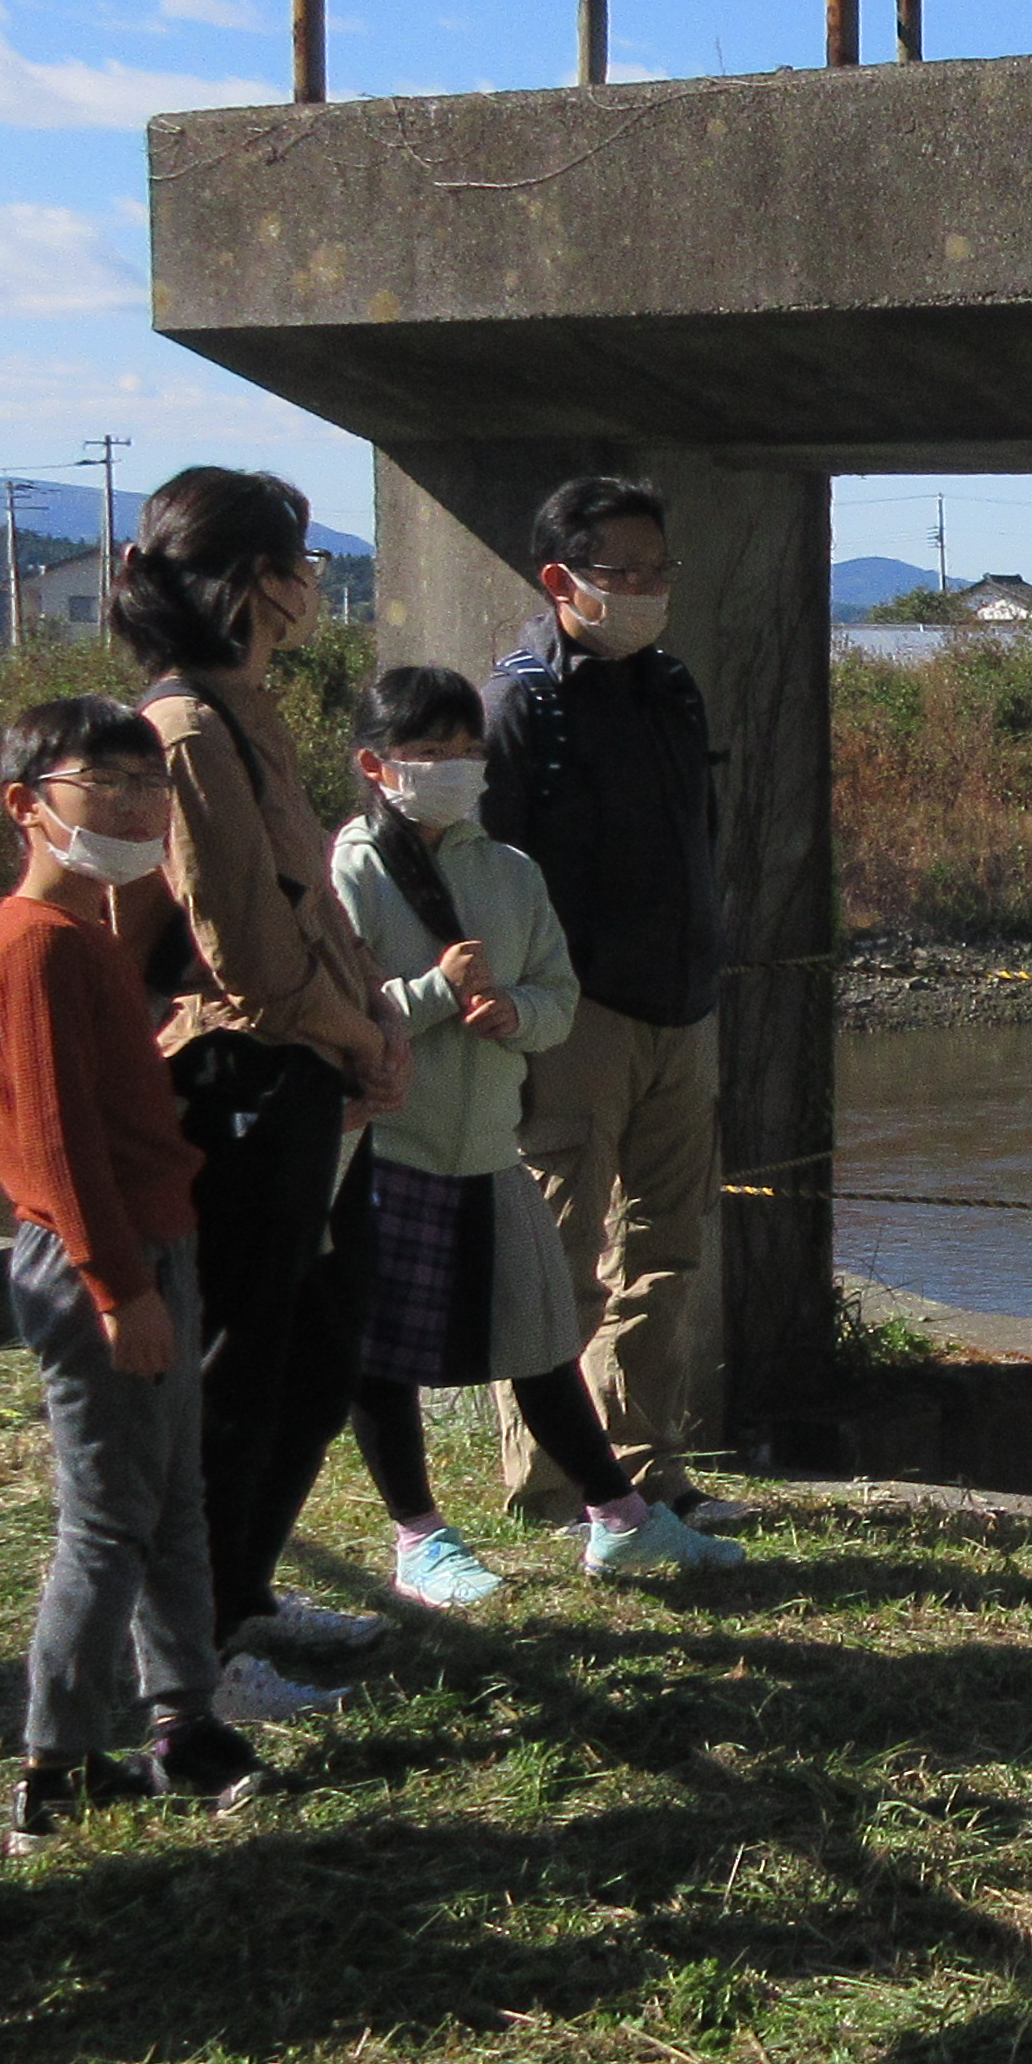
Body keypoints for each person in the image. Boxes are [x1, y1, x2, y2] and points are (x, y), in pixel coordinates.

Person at [331, 668, 741, 1596]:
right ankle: (420, 1539)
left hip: (489, 1147)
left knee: (539, 1338)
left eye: (466, 751)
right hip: (392, 1147)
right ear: (375, 765)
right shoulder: (350, 870)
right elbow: (335, 1012)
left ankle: (620, 1519)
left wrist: (517, 1012)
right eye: (428, 754)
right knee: (382, 1355)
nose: (453, 769)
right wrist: (439, 993)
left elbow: (559, 998)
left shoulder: (509, 873)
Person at [117, 469, 400, 1704]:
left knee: (320, 1346)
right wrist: (360, 1036)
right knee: (243, 1364)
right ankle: (200, 1649)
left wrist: (371, 1018)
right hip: (240, 1080)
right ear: (247, 581)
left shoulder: (249, 711)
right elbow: (245, 954)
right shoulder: (185, 731)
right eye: (295, 557)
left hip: (305, 1070)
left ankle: (241, 1589)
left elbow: (310, 918)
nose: (311, 582)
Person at [0, 700, 259, 1846]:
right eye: (109, 781)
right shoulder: (34, 943)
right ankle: (59, 1758)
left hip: (151, 1244)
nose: (140, 804)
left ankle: (182, 1714)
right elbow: (54, 1141)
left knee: (167, 1489)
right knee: (107, 1517)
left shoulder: (88, 932)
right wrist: (114, 1285)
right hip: (108, 1257)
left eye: (152, 784)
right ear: (27, 802)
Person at [480, 474, 732, 1522]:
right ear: (561, 579)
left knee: (667, 1250)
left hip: (683, 1004)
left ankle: (644, 1461)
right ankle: (547, 1481)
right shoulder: (519, 702)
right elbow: (483, 871)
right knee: (560, 1255)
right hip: (574, 1016)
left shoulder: (670, 687)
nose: (643, 589)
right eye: (619, 572)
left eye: (657, 569)